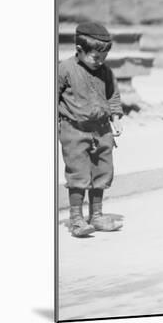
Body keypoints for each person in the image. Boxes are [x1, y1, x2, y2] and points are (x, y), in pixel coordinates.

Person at [58, 22, 124, 237]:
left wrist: (116, 117)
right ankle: (76, 219)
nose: (100, 62)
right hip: (74, 130)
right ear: (79, 50)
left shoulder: (105, 71)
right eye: (96, 57)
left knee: (102, 171)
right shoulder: (65, 68)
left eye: (104, 57)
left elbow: (113, 95)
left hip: (102, 130)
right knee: (78, 173)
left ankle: (96, 215)